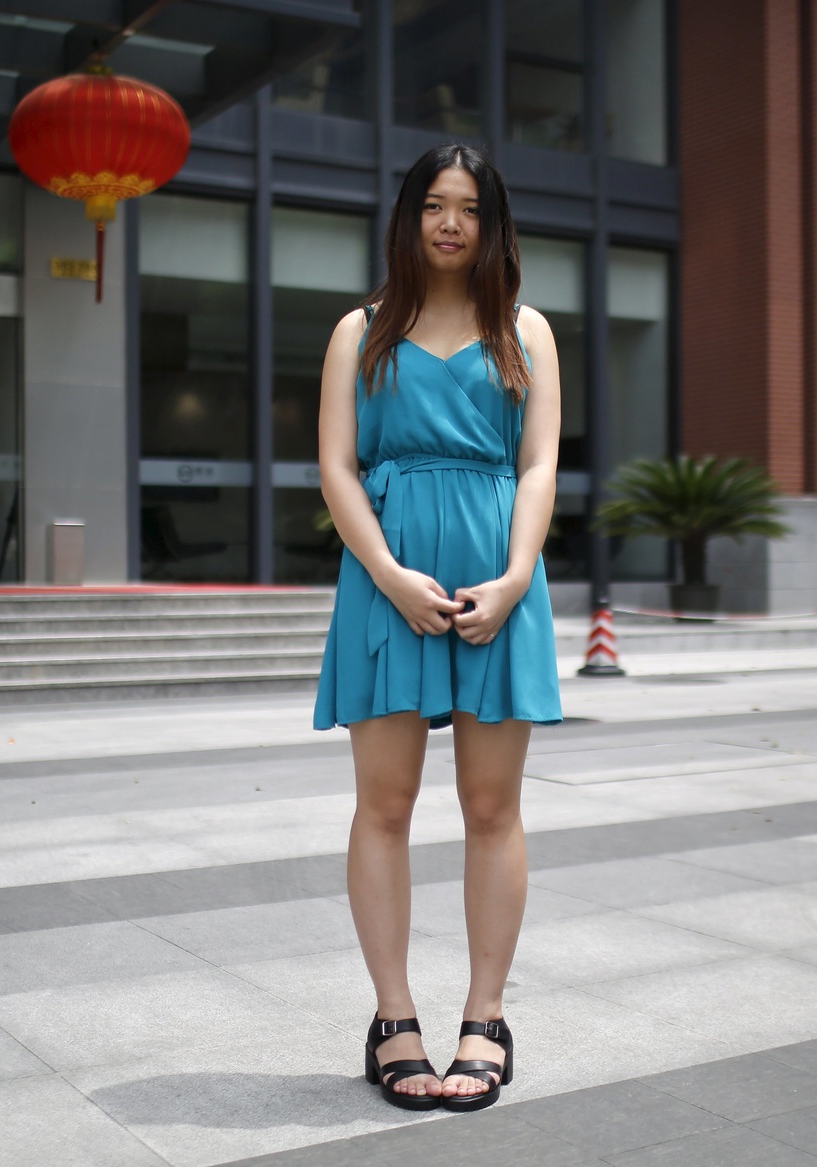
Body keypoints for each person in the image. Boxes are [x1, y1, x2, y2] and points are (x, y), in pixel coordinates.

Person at [313, 143, 563, 1113]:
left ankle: (485, 1018)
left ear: (491, 224)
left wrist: (512, 580)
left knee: (492, 809)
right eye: (433, 205)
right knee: (383, 806)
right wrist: (385, 574)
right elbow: (336, 466)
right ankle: (394, 1020)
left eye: (467, 207)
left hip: (499, 584)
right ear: (408, 217)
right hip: (387, 582)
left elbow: (538, 466)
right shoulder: (360, 331)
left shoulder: (527, 332)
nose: (450, 222)